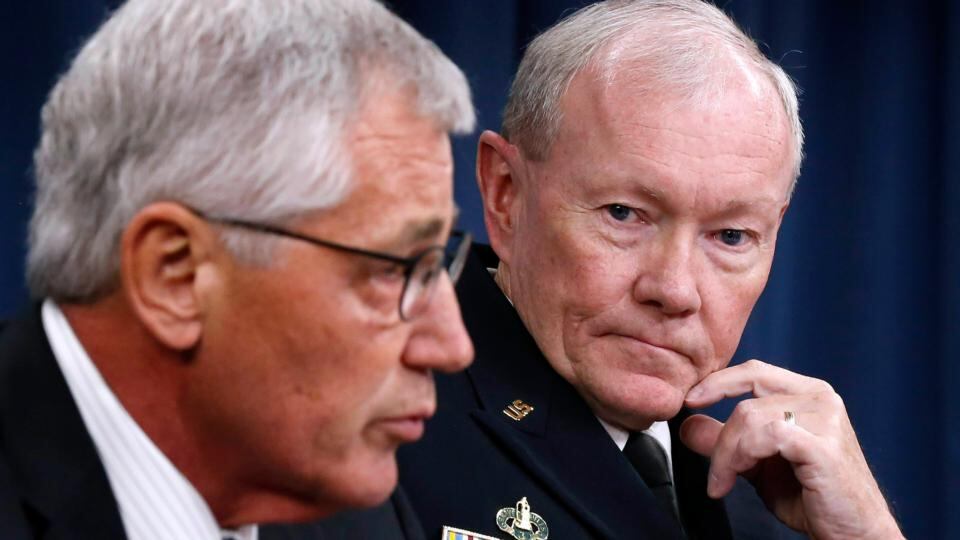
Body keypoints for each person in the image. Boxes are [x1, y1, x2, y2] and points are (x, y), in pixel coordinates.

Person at [398, 1, 904, 539]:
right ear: (506, 195)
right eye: (624, 214)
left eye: (731, 236)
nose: (676, 289)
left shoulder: (777, 500)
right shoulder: (380, 427)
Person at [0, 0, 475, 538]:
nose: (453, 346)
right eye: (394, 271)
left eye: (438, 262)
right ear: (175, 276)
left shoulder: (352, 509)